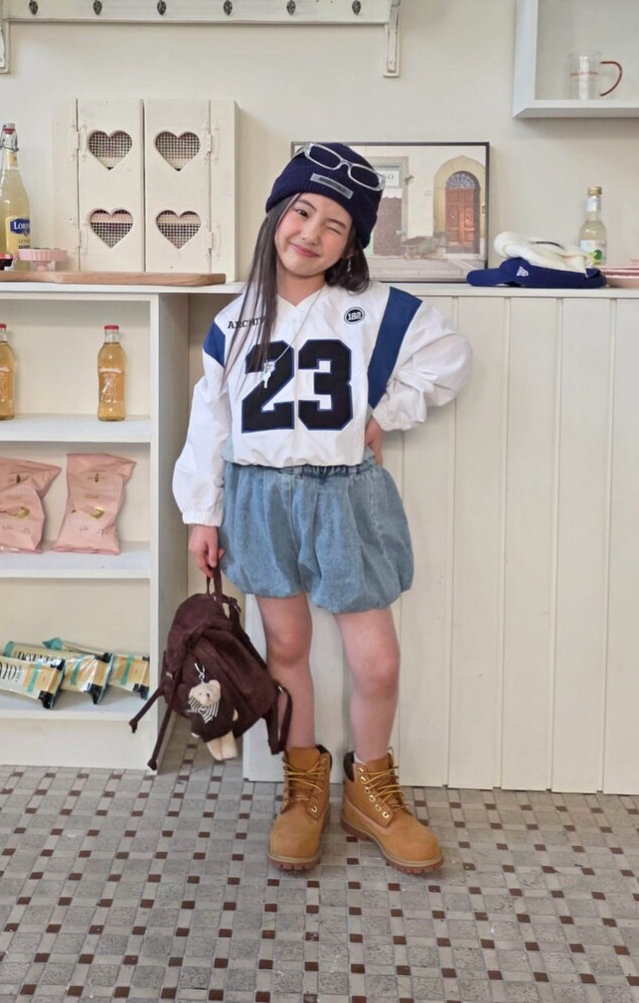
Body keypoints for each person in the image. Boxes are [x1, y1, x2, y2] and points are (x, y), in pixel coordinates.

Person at [172, 143, 472, 874]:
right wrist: (202, 512)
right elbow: (210, 421)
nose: (311, 233)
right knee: (287, 650)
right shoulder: (234, 321)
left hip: (345, 497)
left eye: (334, 225)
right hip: (259, 497)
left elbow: (449, 358)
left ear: (351, 243)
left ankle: (371, 790)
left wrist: (386, 415)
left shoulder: (375, 310)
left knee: (378, 662)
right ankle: (301, 786)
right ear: (277, 213)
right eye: (302, 212)